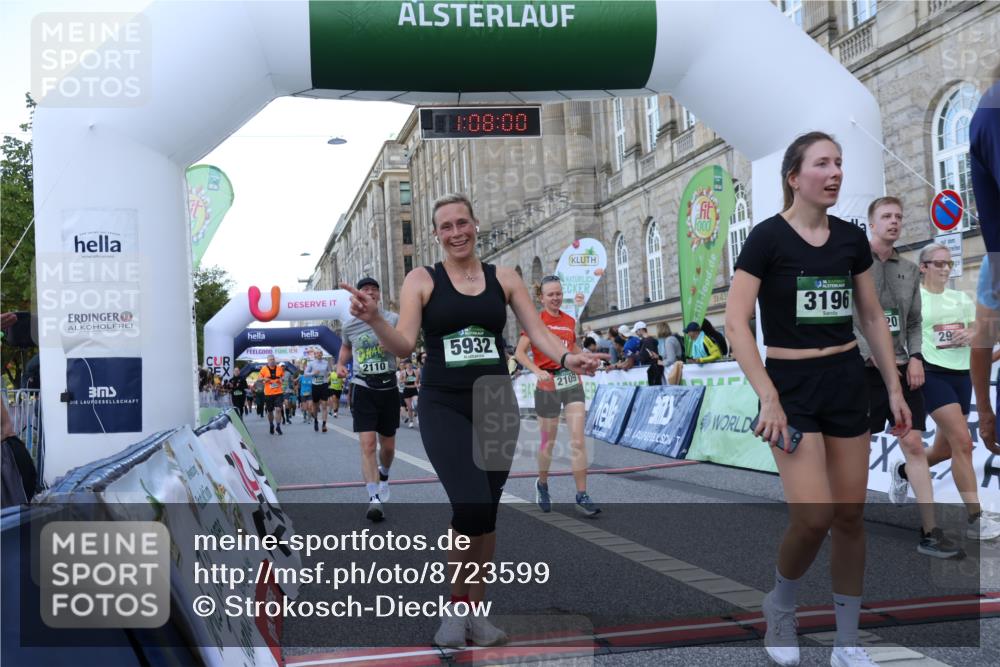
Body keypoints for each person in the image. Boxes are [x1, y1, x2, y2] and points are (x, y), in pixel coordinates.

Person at [341, 193, 604, 649]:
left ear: (476, 224)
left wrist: (567, 357)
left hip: (496, 401)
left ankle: (476, 616)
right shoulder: (422, 279)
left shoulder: (504, 278)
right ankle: (455, 609)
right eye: (446, 226)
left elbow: (537, 331)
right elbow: (403, 345)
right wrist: (376, 319)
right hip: (443, 403)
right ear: (435, 234)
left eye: (462, 222)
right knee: (470, 505)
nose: (456, 232)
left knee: (488, 512)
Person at [725, 131, 911, 667]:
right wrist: (768, 397)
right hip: (791, 388)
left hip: (846, 379)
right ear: (794, 177)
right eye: (823, 164)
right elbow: (736, 323)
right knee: (813, 518)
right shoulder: (766, 239)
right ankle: (781, 605)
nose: (835, 173)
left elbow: (870, 316)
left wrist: (893, 386)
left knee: (850, 516)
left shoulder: (850, 239)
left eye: (839, 163)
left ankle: (847, 642)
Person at [853, 198, 961, 558]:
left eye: (898, 216)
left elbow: (914, 322)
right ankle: (847, 522)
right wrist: (864, 352)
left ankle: (930, 532)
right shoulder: (853, 264)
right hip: (865, 371)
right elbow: (846, 317)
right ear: (871, 224)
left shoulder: (910, 270)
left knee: (914, 445)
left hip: (903, 368)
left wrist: (916, 357)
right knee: (858, 450)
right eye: (886, 216)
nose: (894, 222)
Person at [917, 242, 1000, 540]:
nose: (945, 268)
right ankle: (976, 519)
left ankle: (905, 469)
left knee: (944, 450)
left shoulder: (960, 298)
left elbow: (980, 334)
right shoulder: (916, 298)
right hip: (931, 373)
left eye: (949, 264)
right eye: (938, 263)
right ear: (923, 267)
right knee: (964, 443)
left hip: (961, 375)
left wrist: (972, 334)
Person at [514, 275, 600, 517]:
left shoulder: (569, 321)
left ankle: (582, 494)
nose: (555, 298)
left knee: (578, 440)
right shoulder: (536, 321)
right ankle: (542, 484)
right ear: (541, 298)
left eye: (559, 293)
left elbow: (571, 348)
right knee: (548, 443)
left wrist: (586, 360)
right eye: (550, 294)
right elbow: (520, 353)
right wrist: (537, 371)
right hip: (547, 384)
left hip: (571, 382)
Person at [336, 277, 399, 523]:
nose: (370, 292)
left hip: (389, 387)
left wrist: (391, 343)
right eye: (365, 290)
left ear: (379, 296)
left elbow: (405, 345)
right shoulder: (350, 325)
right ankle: (374, 498)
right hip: (363, 386)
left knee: (388, 447)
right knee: (368, 444)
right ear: (357, 296)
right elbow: (346, 347)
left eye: (374, 290)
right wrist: (340, 364)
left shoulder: (392, 318)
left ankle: (384, 474)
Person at [258, 355, 286, 435]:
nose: (272, 361)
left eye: (273, 359)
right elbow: (259, 378)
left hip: (278, 393)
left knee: (278, 409)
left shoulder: (279, 368)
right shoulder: (264, 369)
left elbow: (283, 377)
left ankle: (278, 426)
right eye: (270, 359)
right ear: (267, 361)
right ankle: (271, 425)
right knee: (270, 411)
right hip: (268, 394)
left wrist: (281, 379)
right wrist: (264, 379)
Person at [306, 349, 332, 432]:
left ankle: (324, 425)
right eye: (317, 353)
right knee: (316, 406)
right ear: (315, 355)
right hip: (315, 385)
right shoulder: (311, 363)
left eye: (320, 353)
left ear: (322, 354)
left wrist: (328, 376)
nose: (319, 354)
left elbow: (330, 372)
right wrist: (313, 373)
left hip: (324, 385)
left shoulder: (326, 363)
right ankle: (316, 421)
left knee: (324, 405)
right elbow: (305, 373)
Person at [399, 359, 420, 428]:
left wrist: (417, 385)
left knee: (416, 404)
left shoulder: (415, 371)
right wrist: (404, 380)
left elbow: (416, 382)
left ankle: (416, 415)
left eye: (410, 364)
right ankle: (411, 421)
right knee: (410, 408)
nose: (409, 365)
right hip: (407, 390)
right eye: (408, 364)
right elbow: (400, 381)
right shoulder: (403, 372)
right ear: (405, 365)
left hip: (414, 389)